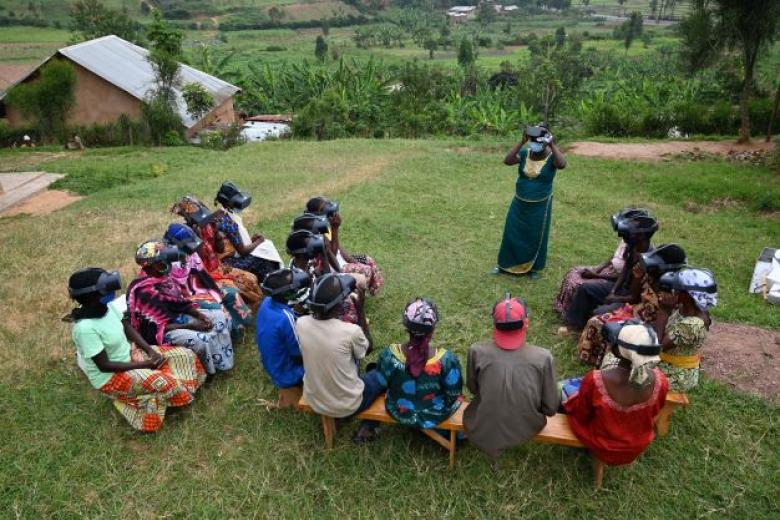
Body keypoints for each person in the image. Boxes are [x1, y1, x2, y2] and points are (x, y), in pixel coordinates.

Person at [68, 268, 205, 432]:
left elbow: (126, 326)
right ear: (91, 296)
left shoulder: (105, 306)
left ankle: (160, 391)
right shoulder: (85, 328)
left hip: (129, 356)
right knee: (167, 383)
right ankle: (128, 400)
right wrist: (145, 364)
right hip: (111, 376)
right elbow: (104, 365)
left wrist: (149, 350)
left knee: (185, 355)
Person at [463, 295, 560, 458]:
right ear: (526, 323)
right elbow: (551, 408)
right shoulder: (543, 358)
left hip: (481, 424)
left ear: (494, 324)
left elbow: (473, 388)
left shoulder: (476, 351)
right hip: (527, 427)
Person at [564, 321, 669, 466]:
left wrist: (571, 400)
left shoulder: (596, 379)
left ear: (616, 351)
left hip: (602, 445)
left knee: (566, 393)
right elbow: (654, 412)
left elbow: (582, 416)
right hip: (636, 446)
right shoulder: (661, 381)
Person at [296, 273, 385, 443]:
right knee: (381, 375)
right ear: (340, 305)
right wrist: (360, 310)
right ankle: (369, 427)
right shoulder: (350, 331)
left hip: (314, 397)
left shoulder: (301, 323)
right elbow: (367, 349)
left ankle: (346, 418)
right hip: (348, 403)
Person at [127, 240, 234, 375]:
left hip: (177, 318)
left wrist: (199, 315)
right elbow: (155, 329)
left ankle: (223, 363)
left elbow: (179, 303)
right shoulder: (143, 291)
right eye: (162, 259)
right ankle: (209, 373)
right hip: (163, 331)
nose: (167, 262)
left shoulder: (161, 277)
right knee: (201, 339)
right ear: (150, 266)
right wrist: (193, 326)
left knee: (218, 316)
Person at [577, 243, 687, 367]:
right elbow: (635, 296)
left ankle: (614, 364)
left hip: (653, 322)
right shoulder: (653, 274)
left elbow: (669, 316)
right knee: (596, 320)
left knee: (609, 326)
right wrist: (637, 277)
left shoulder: (675, 288)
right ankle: (595, 359)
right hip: (636, 311)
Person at [376, 299, 463, 430]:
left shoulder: (389, 355)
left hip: (399, 411)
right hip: (434, 414)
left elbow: (382, 382)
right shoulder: (446, 360)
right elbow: (453, 393)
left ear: (406, 327)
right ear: (432, 329)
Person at [563, 210, 657, 329]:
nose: (622, 237)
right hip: (622, 290)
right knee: (585, 288)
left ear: (641, 236)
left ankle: (590, 334)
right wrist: (613, 291)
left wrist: (615, 298)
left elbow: (635, 297)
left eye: (628, 234)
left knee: (599, 313)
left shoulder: (646, 261)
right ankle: (574, 324)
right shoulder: (634, 246)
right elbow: (624, 272)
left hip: (631, 300)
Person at [495, 123, 567, 278]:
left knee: (536, 235)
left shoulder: (552, 157)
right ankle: (504, 265)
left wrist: (552, 144)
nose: (534, 143)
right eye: (531, 140)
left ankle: (533, 269)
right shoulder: (525, 153)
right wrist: (521, 142)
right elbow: (507, 160)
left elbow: (562, 164)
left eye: (537, 140)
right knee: (511, 232)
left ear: (545, 141)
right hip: (519, 202)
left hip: (540, 205)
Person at [171, 195, 262, 312]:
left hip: (218, 267)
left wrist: (216, 232)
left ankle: (248, 307)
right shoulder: (186, 235)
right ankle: (238, 312)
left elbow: (219, 249)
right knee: (237, 287)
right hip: (205, 275)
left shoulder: (208, 226)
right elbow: (199, 261)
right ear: (188, 218)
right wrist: (197, 238)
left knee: (250, 279)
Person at [164, 223, 252, 335]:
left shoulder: (189, 253)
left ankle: (241, 326)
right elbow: (177, 291)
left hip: (200, 289)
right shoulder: (166, 262)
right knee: (216, 305)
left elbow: (203, 275)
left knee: (231, 293)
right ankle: (230, 333)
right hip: (185, 298)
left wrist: (216, 293)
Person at [306, 196, 384, 296]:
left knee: (368, 260)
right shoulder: (317, 232)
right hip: (332, 267)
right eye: (324, 209)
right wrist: (335, 228)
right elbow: (331, 256)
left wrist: (352, 260)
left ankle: (367, 291)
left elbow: (339, 248)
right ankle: (353, 295)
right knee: (366, 270)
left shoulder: (325, 225)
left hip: (340, 261)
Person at [655, 268, 717, 391]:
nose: (672, 291)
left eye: (676, 289)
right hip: (669, 363)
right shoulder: (688, 308)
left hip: (676, 375)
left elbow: (657, 348)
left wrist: (664, 311)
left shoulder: (692, 324)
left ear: (687, 295)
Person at [213, 182, 282, 282]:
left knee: (264, 248)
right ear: (228, 203)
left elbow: (232, 242)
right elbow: (243, 251)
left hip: (223, 260)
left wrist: (252, 240)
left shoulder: (218, 214)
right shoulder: (228, 221)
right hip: (230, 264)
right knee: (265, 251)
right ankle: (272, 282)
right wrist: (259, 241)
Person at [256, 268, 311, 394]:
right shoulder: (286, 318)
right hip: (289, 375)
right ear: (286, 293)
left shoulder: (267, 302)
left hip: (273, 367)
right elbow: (298, 355)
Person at [555, 240, 626, 319]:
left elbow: (623, 277)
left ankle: (581, 315)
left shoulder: (634, 253)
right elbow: (614, 257)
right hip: (607, 270)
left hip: (612, 278)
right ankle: (565, 310)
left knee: (580, 284)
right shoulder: (626, 240)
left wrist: (597, 275)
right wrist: (599, 269)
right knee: (573, 273)